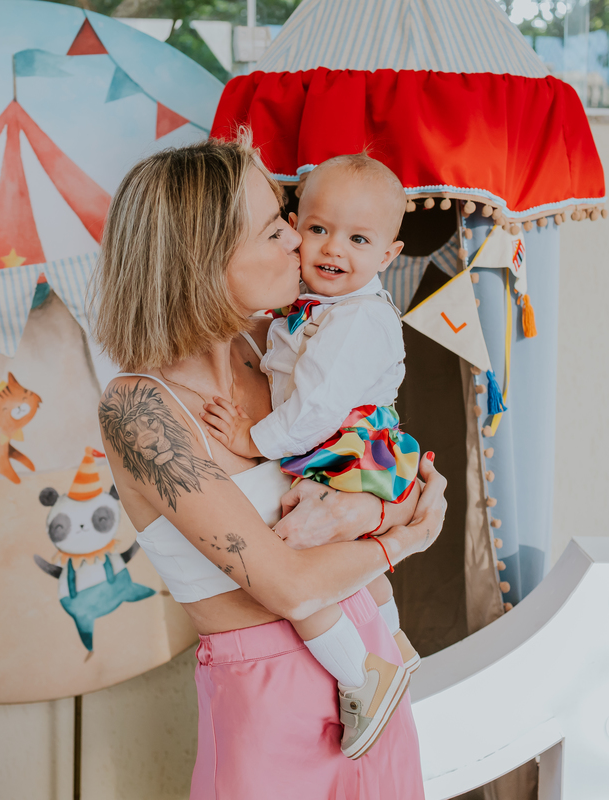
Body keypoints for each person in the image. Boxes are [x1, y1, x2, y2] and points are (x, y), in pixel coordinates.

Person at [93, 134, 447, 798]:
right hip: (274, 703)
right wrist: (401, 537)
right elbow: (286, 582)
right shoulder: (140, 410)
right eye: (273, 230)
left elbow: (397, 476)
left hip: (377, 669)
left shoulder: (277, 351)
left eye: (289, 220)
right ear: (204, 260)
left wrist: (374, 511)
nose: (299, 241)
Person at [201, 153, 421, 757]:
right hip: (344, 445)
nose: (332, 249)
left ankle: (361, 673)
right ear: (297, 225)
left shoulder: (355, 320)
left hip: (350, 446)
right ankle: (394, 643)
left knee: (293, 545)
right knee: (347, 556)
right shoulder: (318, 307)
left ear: (388, 255)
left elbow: (318, 408)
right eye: (318, 229)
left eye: (357, 238)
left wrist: (252, 439)